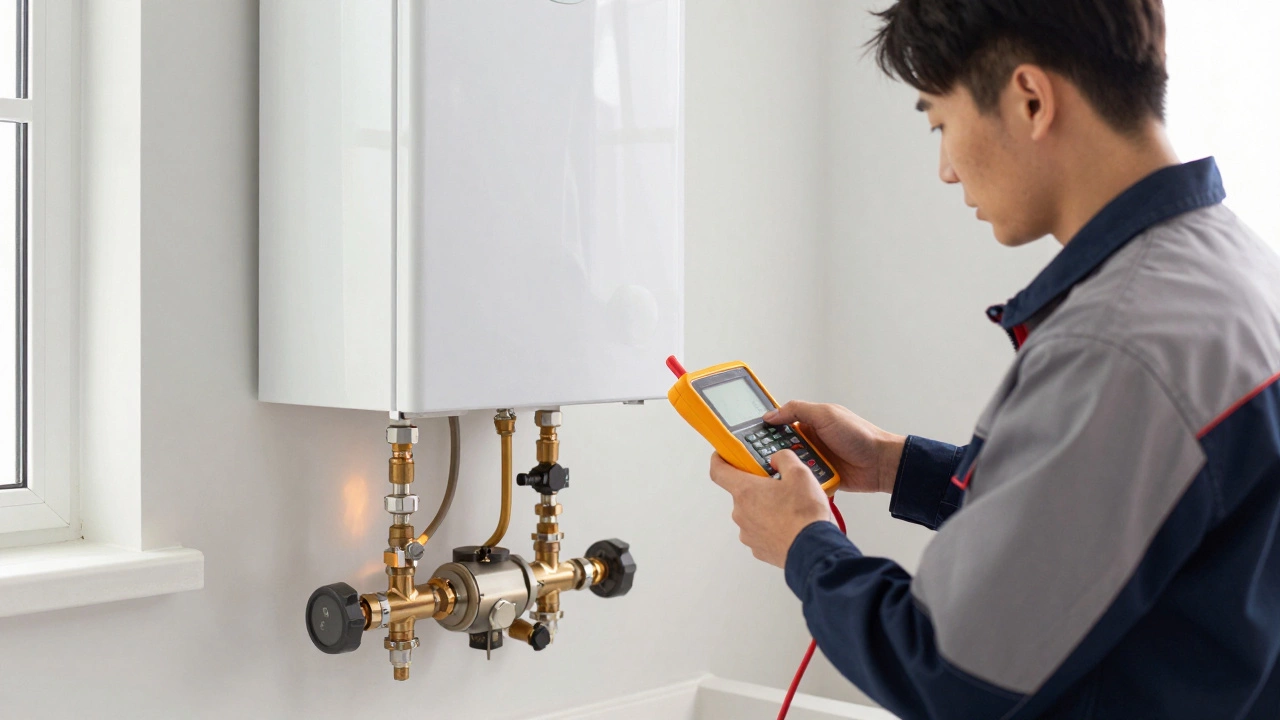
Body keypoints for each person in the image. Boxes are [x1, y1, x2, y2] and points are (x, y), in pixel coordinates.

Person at [707, 1, 1280, 718]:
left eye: (940, 124)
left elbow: (948, 672)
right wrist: (894, 464)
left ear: (1030, 100)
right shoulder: (1237, 268)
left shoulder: (1117, 341)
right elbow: (1114, 530)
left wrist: (802, 543)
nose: (946, 170)